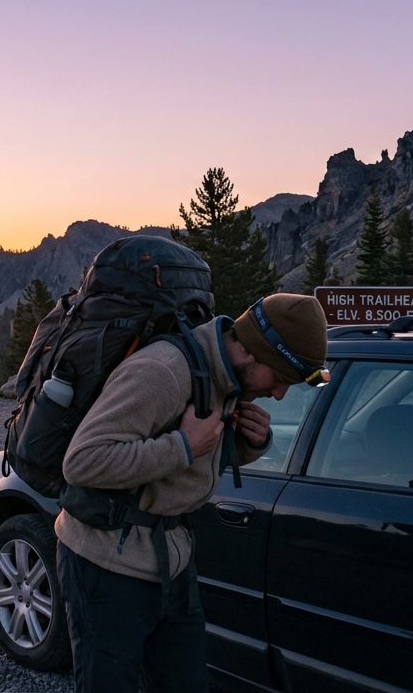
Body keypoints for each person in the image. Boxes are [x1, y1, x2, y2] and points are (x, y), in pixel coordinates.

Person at [55, 293, 329, 692]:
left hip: (172, 562)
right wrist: (183, 445)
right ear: (251, 352)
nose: (281, 393)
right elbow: (82, 462)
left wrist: (250, 443)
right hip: (105, 564)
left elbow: (192, 463)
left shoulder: (225, 378)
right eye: (280, 378)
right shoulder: (162, 372)